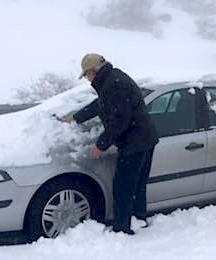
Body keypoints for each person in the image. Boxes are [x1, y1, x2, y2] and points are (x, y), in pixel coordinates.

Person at [66, 53, 158, 235]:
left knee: (123, 187)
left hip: (135, 142)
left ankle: (122, 229)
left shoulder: (113, 84)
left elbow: (120, 121)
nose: (86, 79)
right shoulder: (112, 79)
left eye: (86, 75)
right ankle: (138, 219)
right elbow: (101, 104)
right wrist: (77, 117)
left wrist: (101, 145)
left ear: (94, 71)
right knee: (137, 184)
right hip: (144, 138)